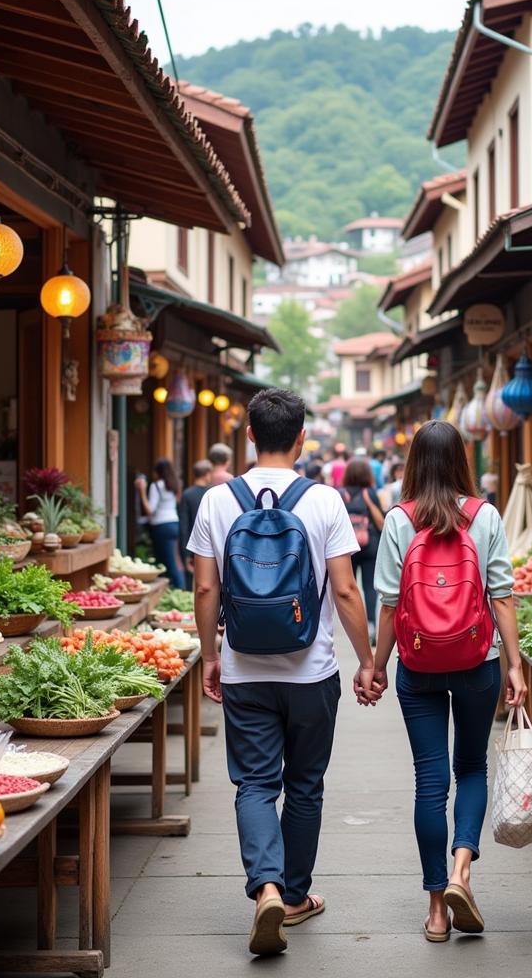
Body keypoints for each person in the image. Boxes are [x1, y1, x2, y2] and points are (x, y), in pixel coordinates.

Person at [188, 388, 379, 957]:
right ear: (302, 438)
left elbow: (204, 586)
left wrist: (211, 654)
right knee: (304, 785)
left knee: (253, 783)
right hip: (312, 671)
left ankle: (265, 888)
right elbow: (345, 589)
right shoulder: (323, 502)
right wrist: (368, 660)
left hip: (246, 669)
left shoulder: (218, 502)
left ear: (248, 435)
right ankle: (294, 896)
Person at [372, 420, 526, 943]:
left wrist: (376, 665)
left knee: (429, 783)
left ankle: (437, 907)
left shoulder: (398, 519)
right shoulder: (484, 516)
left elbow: (390, 604)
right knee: (472, 768)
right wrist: (515, 665)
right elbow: (502, 595)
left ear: (413, 461)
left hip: (418, 665)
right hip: (476, 661)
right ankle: (463, 870)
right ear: (462, 459)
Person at [340, 458, 385, 642]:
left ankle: (352, 628)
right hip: (370, 546)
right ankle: (372, 625)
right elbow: (381, 523)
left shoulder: (340, 494)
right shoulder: (370, 493)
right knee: (369, 588)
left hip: (347, 546)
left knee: (346, 588)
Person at [135, 458, 185, 589]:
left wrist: (141, 491)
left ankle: (181, 589)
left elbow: (150, 510)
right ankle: (171, 588)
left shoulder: (156, 486)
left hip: (161, 526)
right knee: (172, 559)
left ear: (157, 472)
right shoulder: (174, 485)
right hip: (174, 523)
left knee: (168, 562)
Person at [178, 459, 212, 591]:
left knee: (190, 579)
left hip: (191, 543)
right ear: (207, 474)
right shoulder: (212, 493)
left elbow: (184, 524)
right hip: (209, 541)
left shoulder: (187, 494)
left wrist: (185, 553)